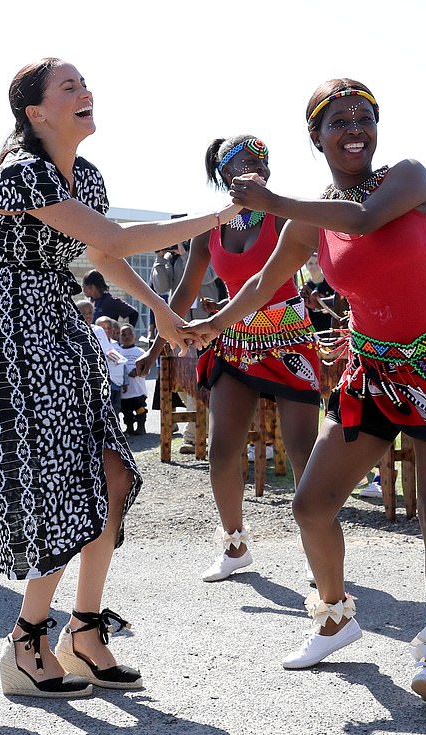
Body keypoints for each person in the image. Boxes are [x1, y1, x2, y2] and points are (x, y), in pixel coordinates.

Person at [0, 57, 240, 699]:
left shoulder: (87, 176)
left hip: (61, 338)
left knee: (112, 472)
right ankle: (25, 644)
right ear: (35, 112)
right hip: (12, 344)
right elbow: (120, 240)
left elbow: (104, 257)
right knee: (61, 488)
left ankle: (84, 631)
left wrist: (163, 313)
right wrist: (219, 216)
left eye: (84, 84)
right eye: (68, 87)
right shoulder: (23, 172)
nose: (85, 93)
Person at [184, 80, 426, 707]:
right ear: (315, 137)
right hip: (372, 372)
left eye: (365, 118)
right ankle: (333, 615)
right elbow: (268, 281)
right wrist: (211, 324)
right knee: (311, 503)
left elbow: (364, 219)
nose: (355, 128)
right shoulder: (304, 219)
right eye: (338, 120)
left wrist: (273, 198)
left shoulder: (408, 178)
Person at [138, 134, 321, 583]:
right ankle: (235, 544)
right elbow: (184, 292)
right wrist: (155, 345)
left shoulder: (286, 215)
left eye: (256, 162)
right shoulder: (210, 228)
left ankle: (319, 550)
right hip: (233, 340)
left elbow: (278, 276)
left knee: (302, 451)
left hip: (289, 338)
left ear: (268, 170)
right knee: (222, 450)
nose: (248, 171)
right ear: (223, 176)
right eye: (236, 165)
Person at [151, 237, 220, 454]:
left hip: (205, 327)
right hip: (178, 327)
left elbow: (209, 277)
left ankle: (192, 436)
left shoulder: (204, 252)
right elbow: (161, 286)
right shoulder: (169, 260)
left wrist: (187, 255)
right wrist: (160, 257)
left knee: (200, 380)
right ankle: (201, 429)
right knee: (183, 380)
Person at [77, 300, 126, 418]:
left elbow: (107, 350)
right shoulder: (72, 330)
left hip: (99, 376)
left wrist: (117, 359)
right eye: (84, 313)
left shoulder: (97, 330)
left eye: (90, 313)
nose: (88, 316)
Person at [117, 324, 148, 435]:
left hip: (138, 390)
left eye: (130, 334)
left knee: (140, 409)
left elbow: (146, 366)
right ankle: (129, 427)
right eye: (123, 334)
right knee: (126, 412)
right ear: (119, 337)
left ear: (135, 336)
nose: (127, 337)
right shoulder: (117, 351)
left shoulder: (140, 351)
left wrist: (137, 371)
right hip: (124, 392)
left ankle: (141, 427)